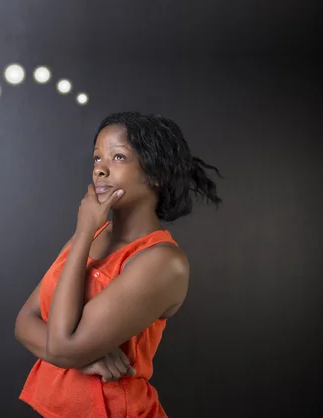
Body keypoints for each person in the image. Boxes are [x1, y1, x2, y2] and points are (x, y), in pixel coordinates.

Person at [14, 111, 222, 417]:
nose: (100, 170)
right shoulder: (94, 234)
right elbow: (25, 322)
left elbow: (60, 347)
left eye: (118, 157)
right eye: (98, 158)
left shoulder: (162, 262)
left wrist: (83, 232)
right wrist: (83, 357)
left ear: (156, 174)